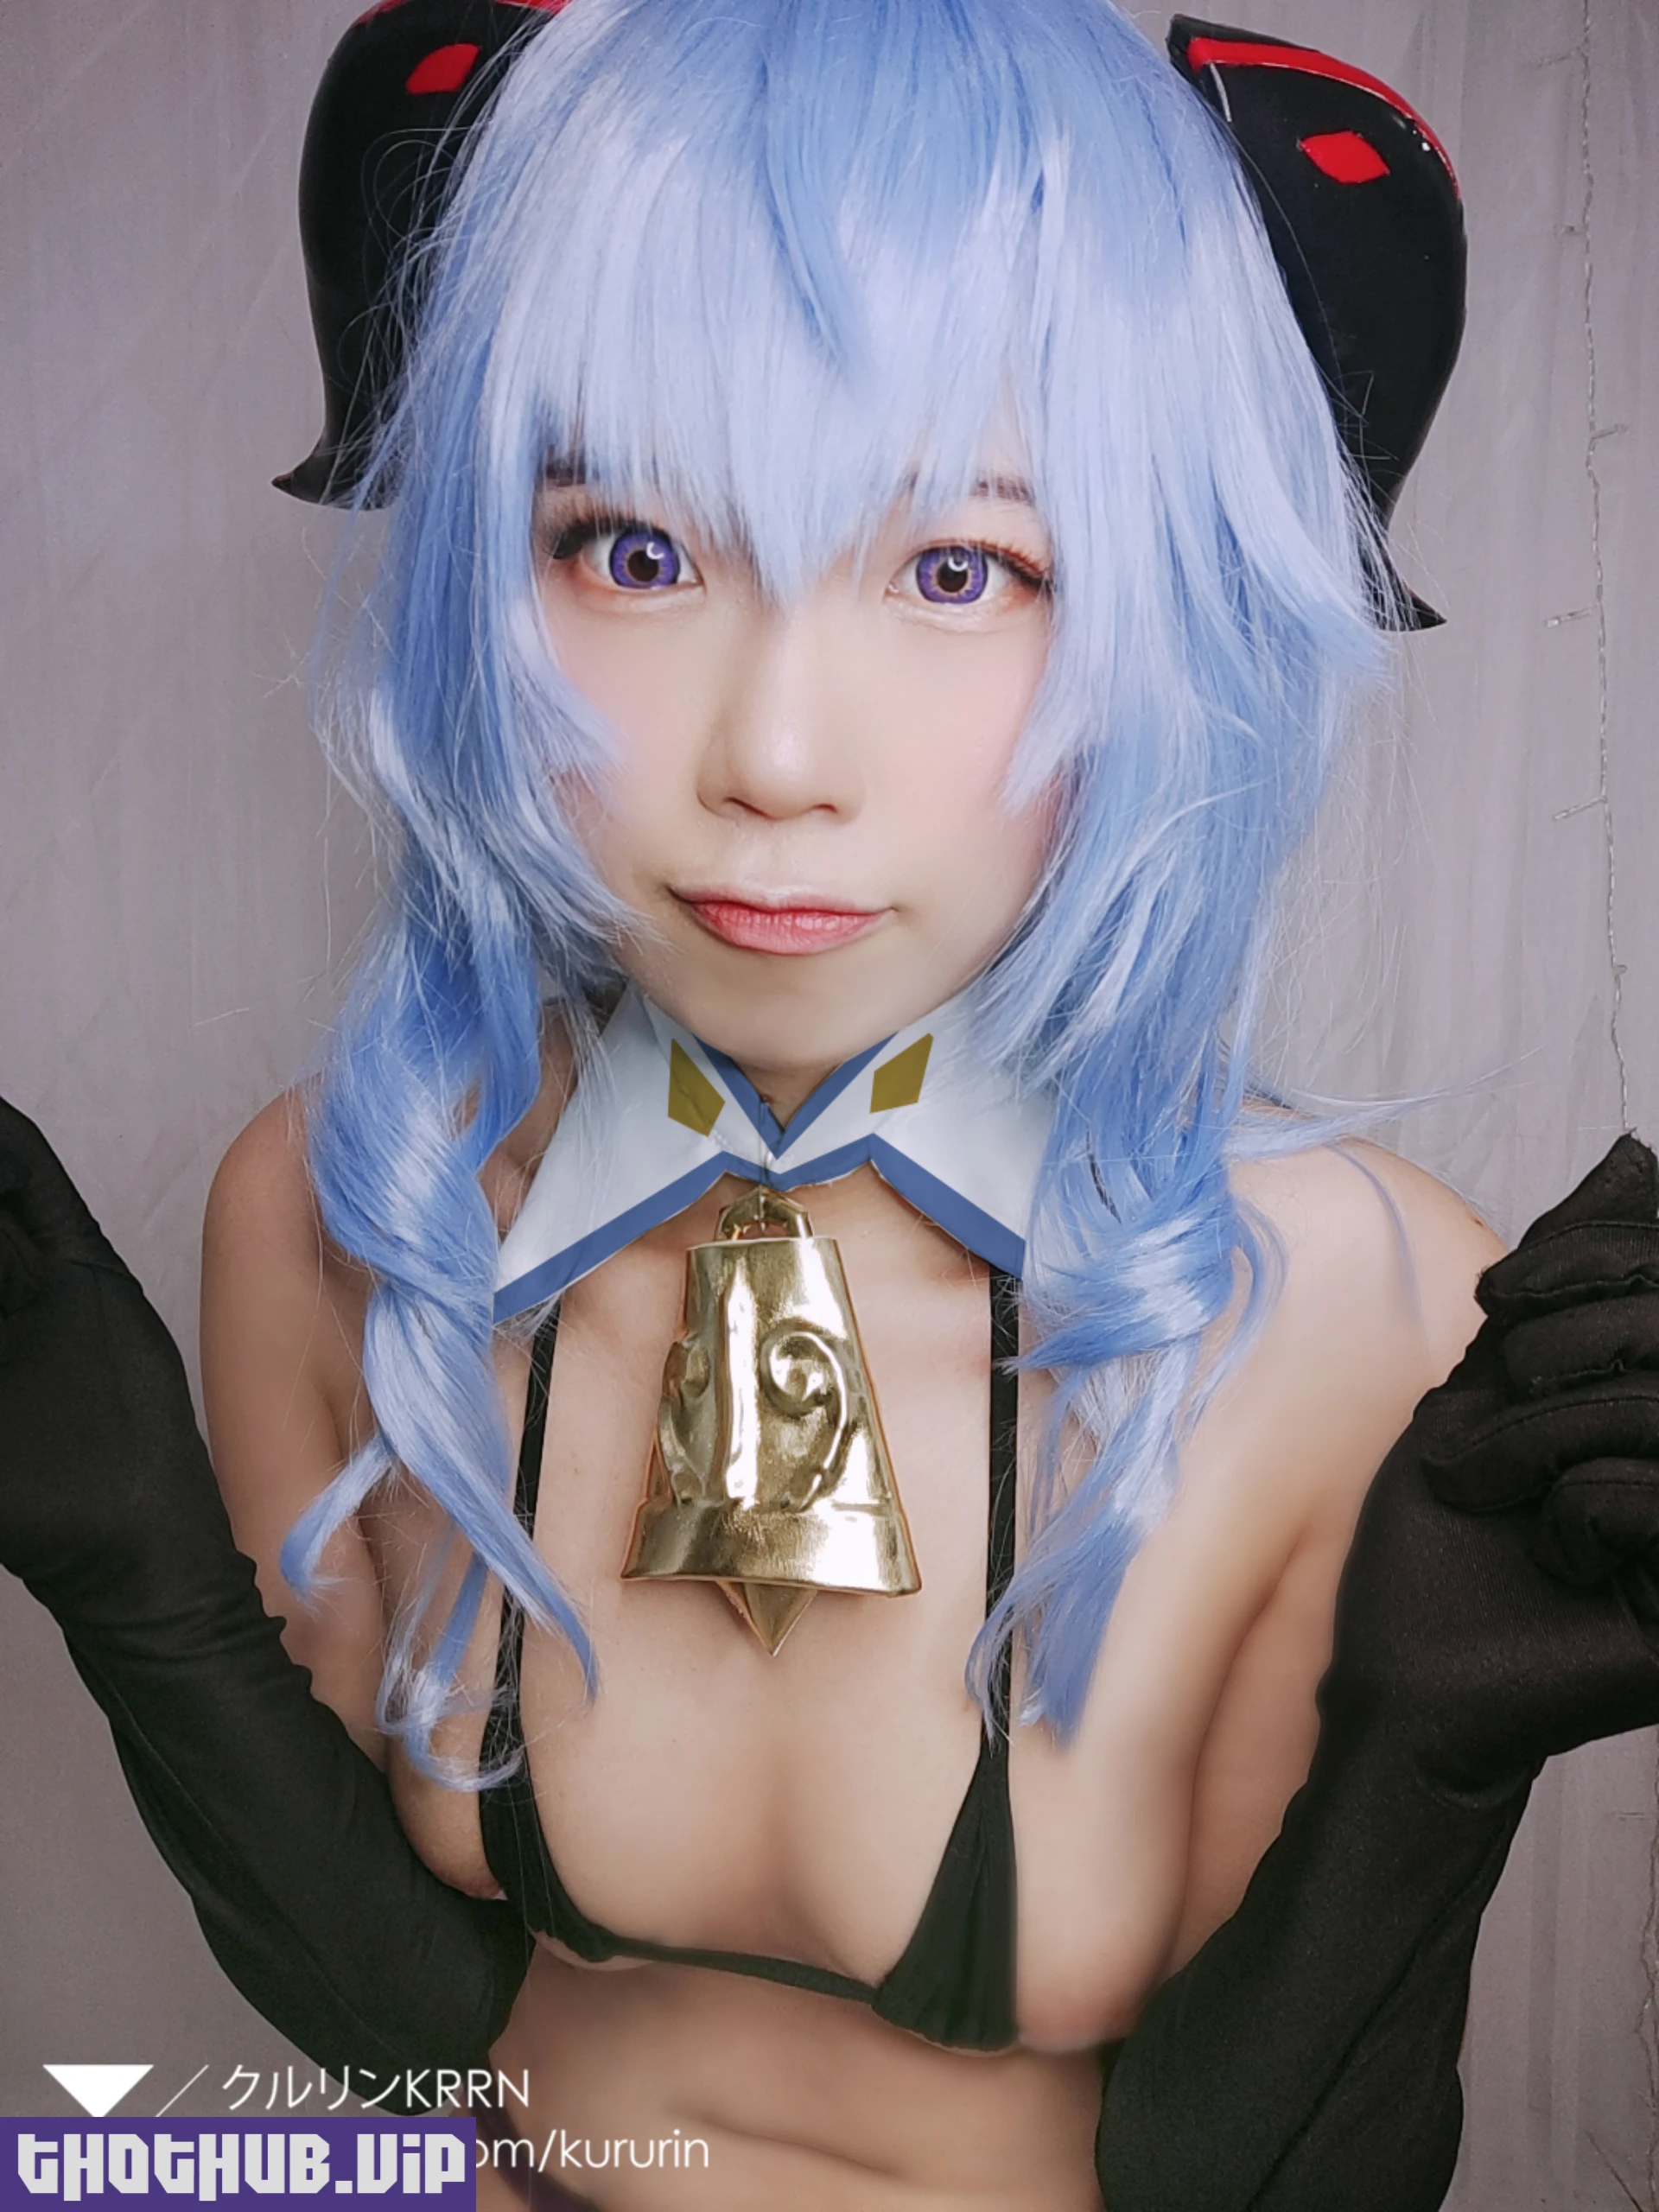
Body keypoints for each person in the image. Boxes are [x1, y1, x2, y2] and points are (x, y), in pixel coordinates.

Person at [3, 2, 1657, 2207]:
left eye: (962, 569)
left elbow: (1259, 2169)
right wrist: (134, 1580)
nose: (775, 755)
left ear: (1175, 618)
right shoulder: (343, 1201)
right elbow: (398, 2024)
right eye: (634, 549)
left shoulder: (1368, 1301)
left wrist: (1428, 1761)